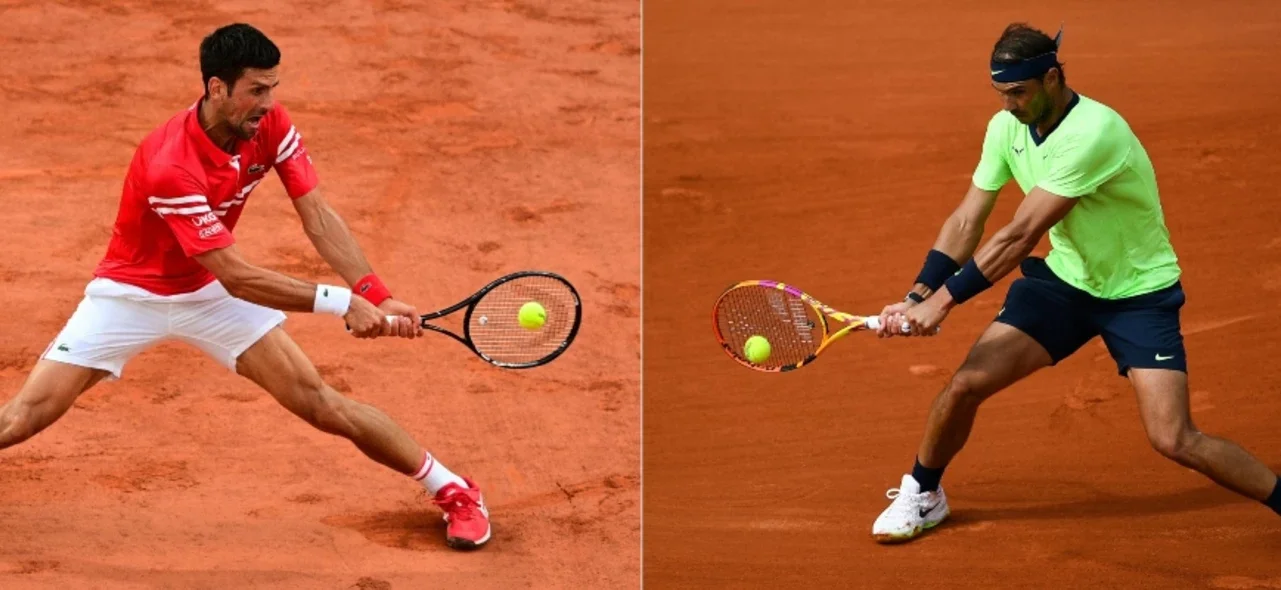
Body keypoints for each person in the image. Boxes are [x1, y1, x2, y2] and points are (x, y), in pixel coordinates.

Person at [0, 23, 491, 550]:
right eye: (257, 90)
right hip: (131, 296)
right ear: (217, 89)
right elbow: (237, 274)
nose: (269, 102)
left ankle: (455, 489)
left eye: (273, 88)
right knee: (27, 416)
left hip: (208, 295)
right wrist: (339, 302)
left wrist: (373, 291)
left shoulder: (271, 125)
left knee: (323, 404)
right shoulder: (169, 164)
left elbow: (318, 216)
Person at [869, 22, 1280, 543]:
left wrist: (945, 302)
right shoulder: (1006, 129)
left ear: (1052, 78)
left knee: (1175, 439)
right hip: (1065, 282)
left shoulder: (1095, 132)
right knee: (966, 384)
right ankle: (923, 493)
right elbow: (967, 220)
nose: (1009, 106)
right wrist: (918, 294)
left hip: (1137, 295)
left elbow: (1019, 235)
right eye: (1000, 94)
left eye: (1018, 92)